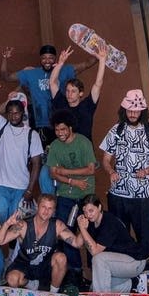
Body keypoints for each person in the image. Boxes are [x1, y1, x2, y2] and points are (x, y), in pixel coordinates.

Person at [99, 89, 149, 274]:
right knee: (120, 233)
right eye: (129, 110)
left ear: (142, 112)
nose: (132, 114)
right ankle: (123, 268)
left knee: (144, 232)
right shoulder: (116, 130)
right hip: (119, 193)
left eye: (136, 111)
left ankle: (146, 268)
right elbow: (105, 159)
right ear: (124, 110)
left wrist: (147, 171)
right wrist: (110, 171)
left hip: (144, 194)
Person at [47, 111, 98, 281]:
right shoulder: (54, 146)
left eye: (63, 129)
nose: (60, 133)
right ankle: (75, 272)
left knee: (89, 232)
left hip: (86, 197)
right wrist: (73, 181)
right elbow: (53, 174)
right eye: (57, 130)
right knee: (66, 233)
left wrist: (65, 171)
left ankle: (92, 271)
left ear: (70, 128)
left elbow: (91, 169)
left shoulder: (83, 142)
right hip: (66, 195)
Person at [0, 193, 80, 293]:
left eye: (50, 208)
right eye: (43, 207)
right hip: (25, 264)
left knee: (61, 258)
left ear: (54, 211)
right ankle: (30, 284)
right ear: (37, 207)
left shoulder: (57, 225)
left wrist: (83, 228)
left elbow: (77, 243)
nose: (46, 211)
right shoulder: (23, 225)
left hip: (45, 265)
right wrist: (7, 224)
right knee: (12, 279)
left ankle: (53, 294)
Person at [0, 94, 43, 222]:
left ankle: (14, 243)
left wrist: (30, 190)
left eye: (16, 113)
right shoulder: (1, 127)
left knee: (17, 226)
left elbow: (36, 164)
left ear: (22, 113)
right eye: (10, 113)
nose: (13, 116)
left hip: (21, 187)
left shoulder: (32, 134)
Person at [77, 193, 149, 293]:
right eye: (85, 212)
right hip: (118, 264)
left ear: (99, 207)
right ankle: (135, 283)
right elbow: (77, 243)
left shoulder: (109, 222)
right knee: (96, 286)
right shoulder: (90, 221)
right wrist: (81, 227)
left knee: (99, 259)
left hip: (134, 262)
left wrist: (83, 229)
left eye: (91, 210)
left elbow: (95, 252)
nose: (88, 215)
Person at [50, 43, 108, 140]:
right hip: (65, 150)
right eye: (67, 91)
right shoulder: (61, 103)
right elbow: (52, 83)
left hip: (85, 151)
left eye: (73, 91)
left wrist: (102, 60)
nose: (69, 94)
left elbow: (98, 84)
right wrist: (60, 64)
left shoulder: (88, 105)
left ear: (81, 93)